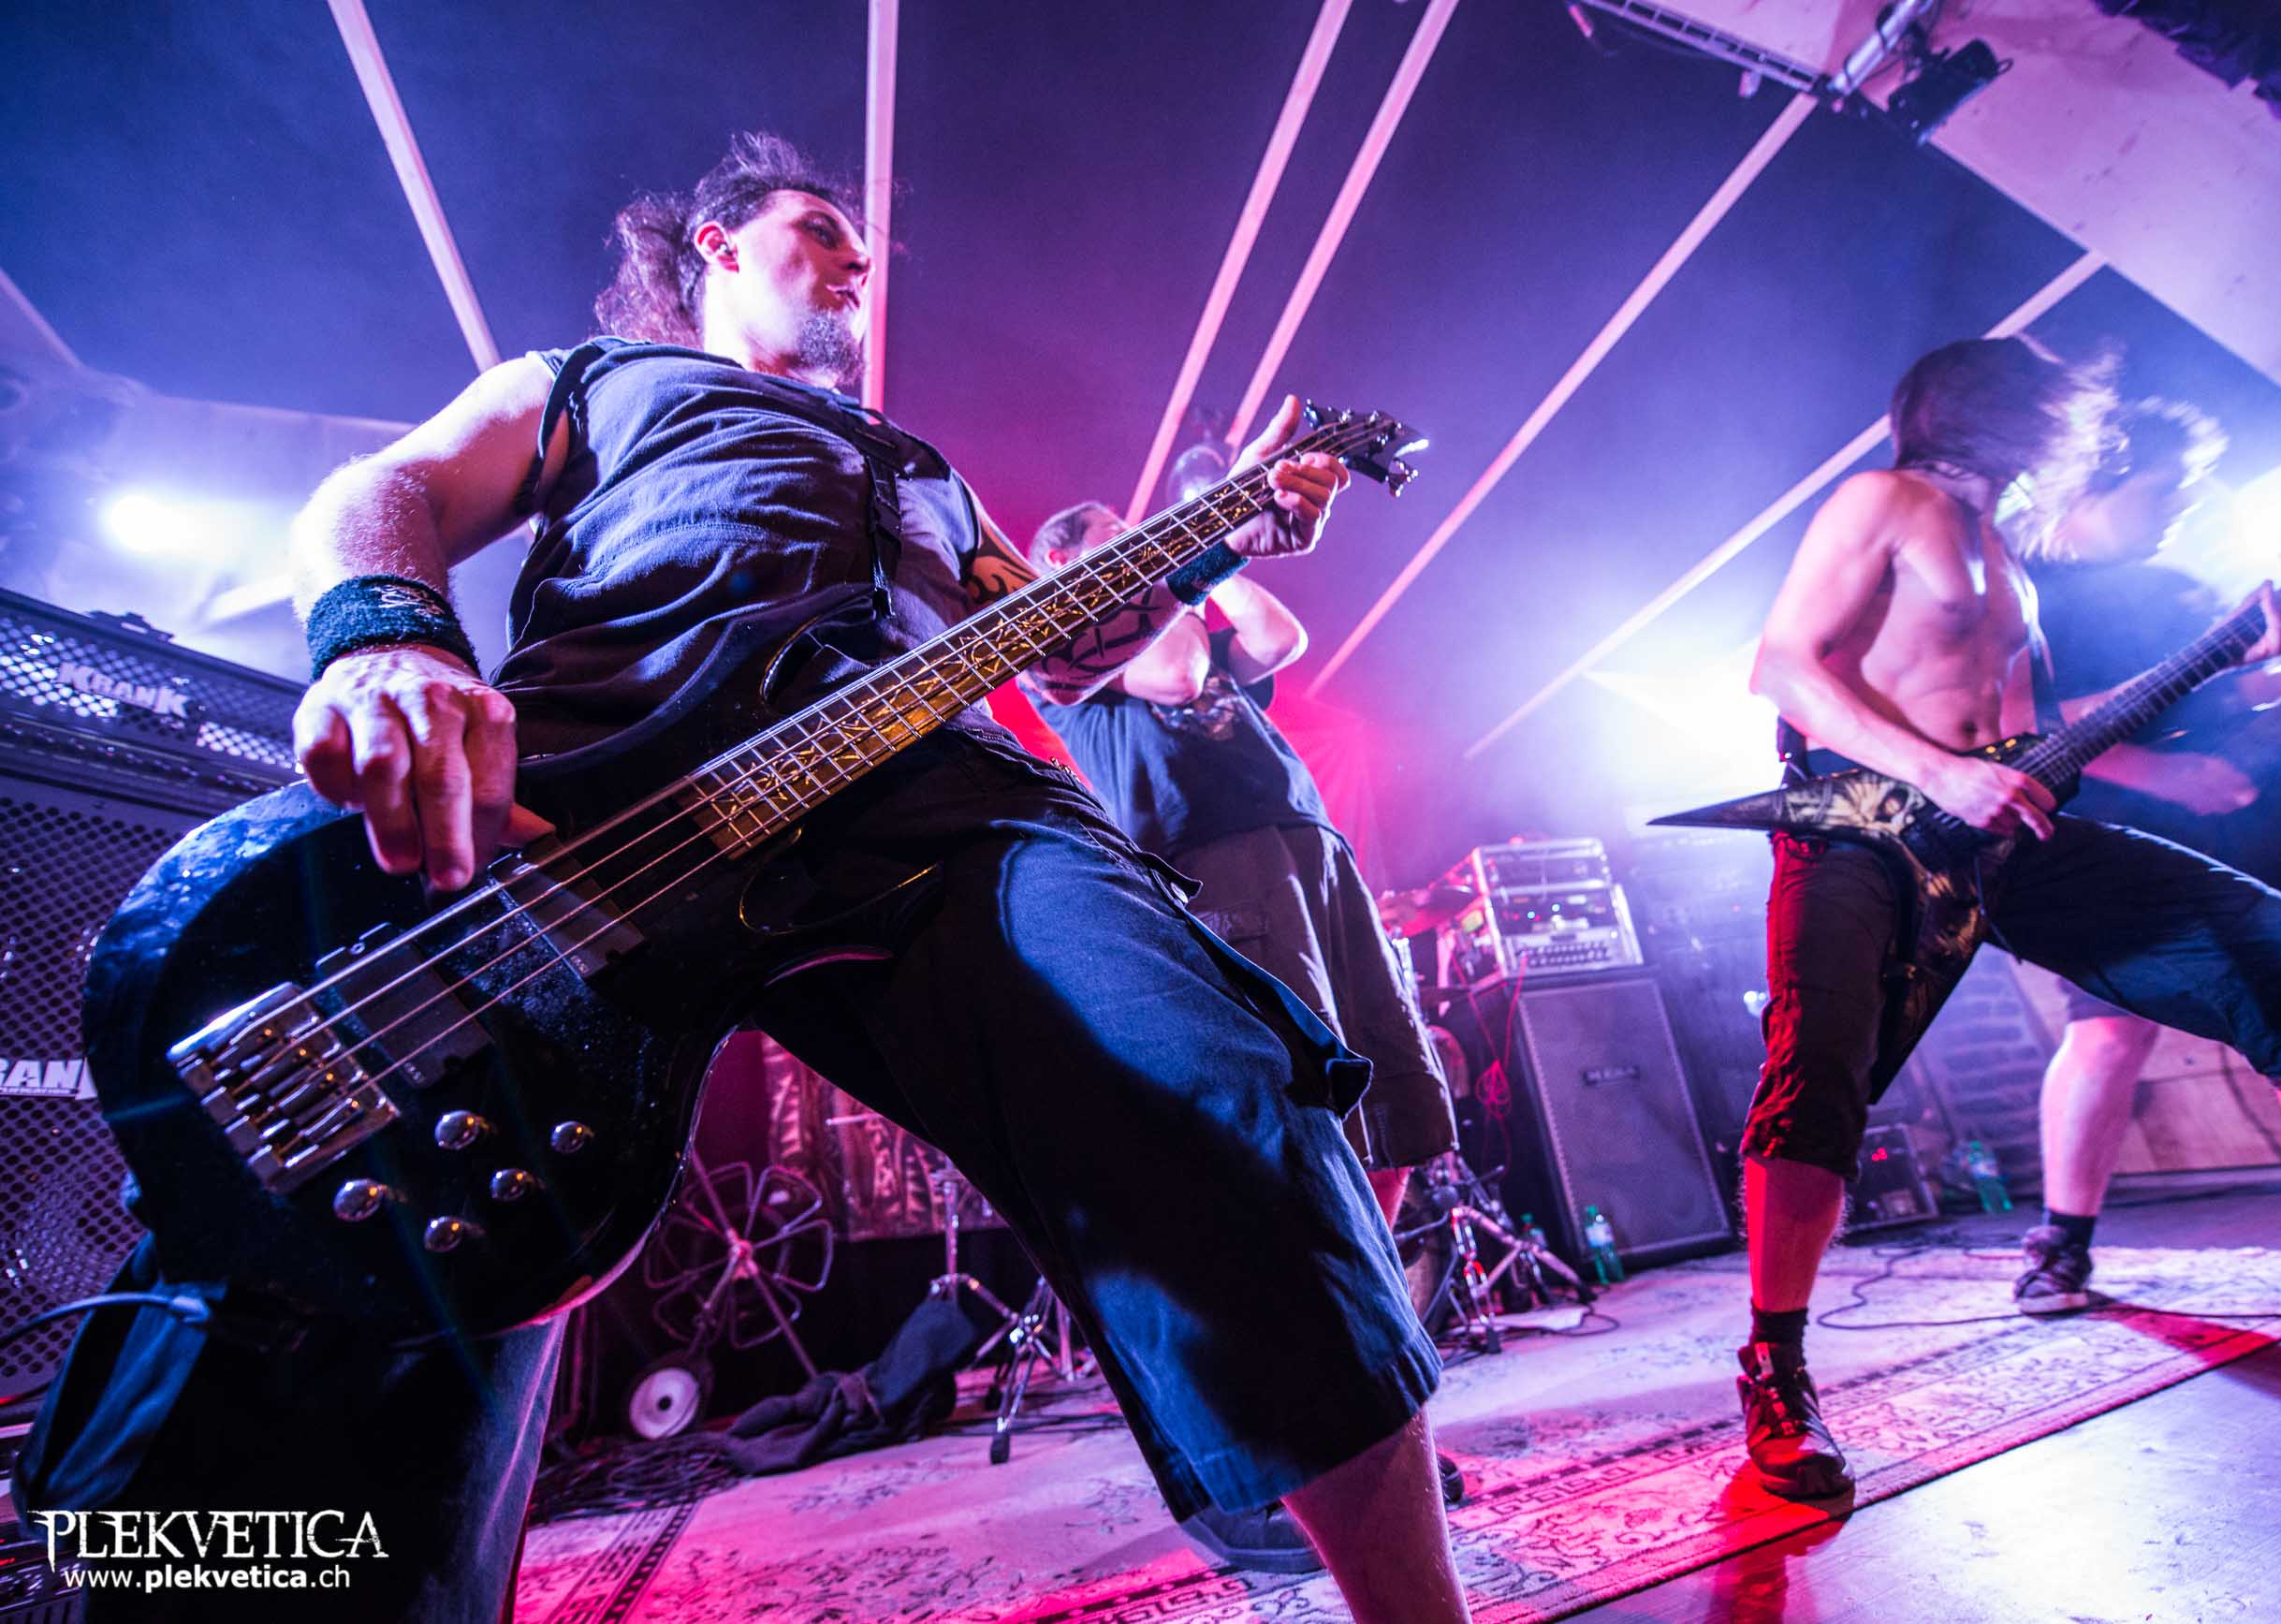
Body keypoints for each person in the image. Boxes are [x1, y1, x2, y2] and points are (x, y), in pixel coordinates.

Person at [16, 134, 1469, 1624]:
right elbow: (388, 486)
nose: (856, 262)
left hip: (940, 807)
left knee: (1211, 1074)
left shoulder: (926, 473)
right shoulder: (591, 380)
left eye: (865, 251)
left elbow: (1062, 643)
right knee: (375, 1261)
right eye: (821, 228)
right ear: (713, 244)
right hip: (603, 806)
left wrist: (1221, 535)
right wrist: (387, 639)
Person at [1735, 337, 2281, 1503]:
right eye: (2064, 408)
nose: (2084, 431)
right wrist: (1939, 773)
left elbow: (2043, 729)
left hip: (2009, 837)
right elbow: (1782, 669)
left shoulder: (2008, 559)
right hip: (1858, 824)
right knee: (1818, 1073)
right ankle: (1775, 1365)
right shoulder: (1883, 499)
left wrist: (2229, 655)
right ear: (2004, 414)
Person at [1025, 500, 1462, 1572]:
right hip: (1221, 875)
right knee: (1299, 1141)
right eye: (1118, 543)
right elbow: (1174, 671)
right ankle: (1317, 1426)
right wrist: (1181, 560)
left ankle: (1367, 1375)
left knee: (1389, 1115)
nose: (1146, 549)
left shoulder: (1194, 626)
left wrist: (1213, 559)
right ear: (1070, 568)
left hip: (1313, 856)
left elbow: (1277, 636)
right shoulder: (1079, 651)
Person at [2013, 399, 2281, 1313]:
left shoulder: (2166, 585)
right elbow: (2032, 725)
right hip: (2133, 820)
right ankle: (2060, 1242)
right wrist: (2163, 775)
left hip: (2261, 796)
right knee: (2109, 1029)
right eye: (2162, 487)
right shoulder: (2024, 593)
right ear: (2092, 481)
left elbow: (2235, 690)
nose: (2179, 506)